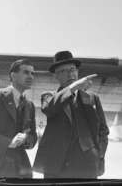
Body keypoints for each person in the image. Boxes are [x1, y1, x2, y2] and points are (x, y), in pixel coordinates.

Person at [33, 50, 109, 179]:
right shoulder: (48, 96)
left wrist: (98, 153)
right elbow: (49, 108)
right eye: (65, 71)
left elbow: (103, 130)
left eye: (73, 70)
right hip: (56, 163)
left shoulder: (92, 98)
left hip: (87, 162)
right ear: (56, 76)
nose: (71, 74)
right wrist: (74, 87)